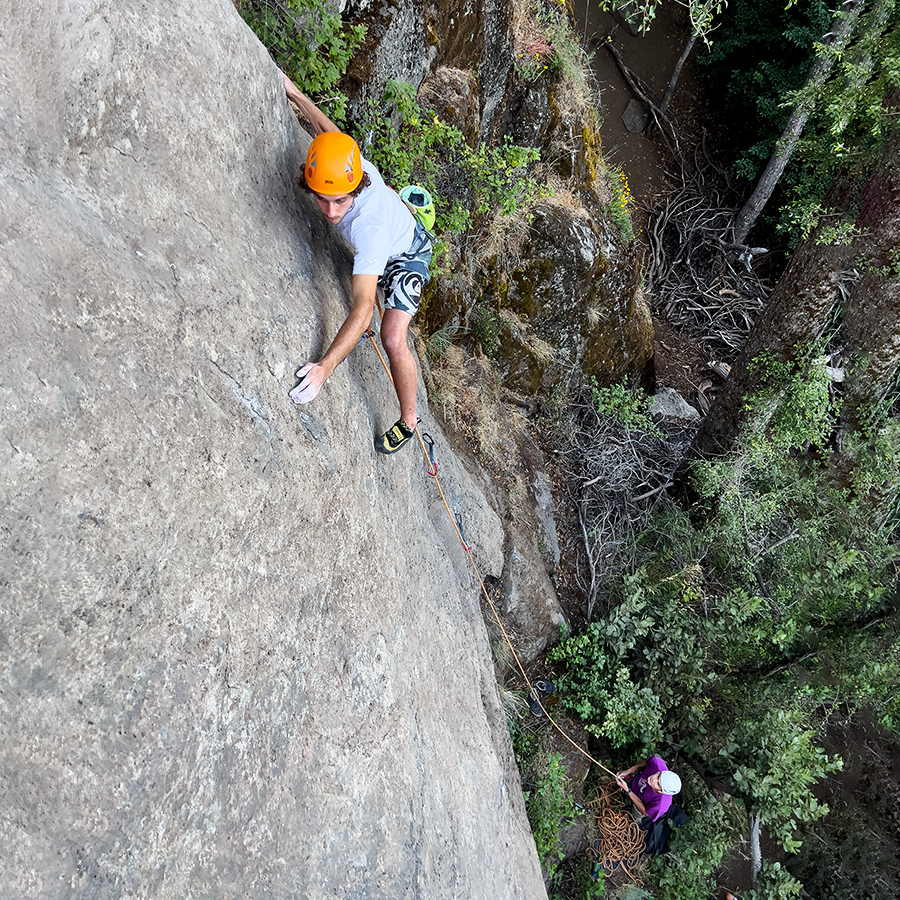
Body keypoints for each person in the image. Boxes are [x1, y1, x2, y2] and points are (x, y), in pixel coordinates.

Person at [281, 72, 433, 455]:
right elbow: (328, 133)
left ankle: (409, 422)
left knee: (392, 337)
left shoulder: (368, 231)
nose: (331, 212)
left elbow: (364, 309)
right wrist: (296, 92)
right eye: (322, 199)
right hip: (389, 227)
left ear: (357, 188)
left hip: (406, 254)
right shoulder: (349, 165)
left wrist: (325, 368)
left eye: (341, 202)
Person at [615, 755, 682, 822]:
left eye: (658, 784)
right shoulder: (657, 764)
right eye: (658, 776)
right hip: (636, 783)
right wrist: (628, 771)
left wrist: (628, 791)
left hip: (641, 806)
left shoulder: (660, 805)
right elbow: (646, 762)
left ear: (661, 791)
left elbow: (645, 812)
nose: (654, 780)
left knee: (632, 817)